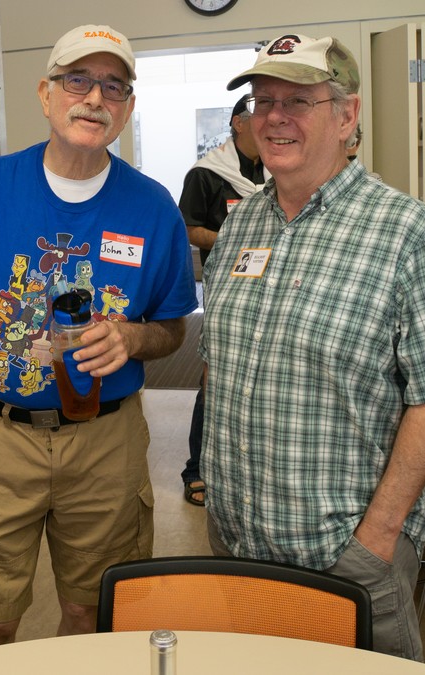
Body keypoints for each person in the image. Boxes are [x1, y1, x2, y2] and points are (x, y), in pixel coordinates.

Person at [198, 33, 425, 660]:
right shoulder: (241, 223)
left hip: (344, 553)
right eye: (262, 101)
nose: (274, 117)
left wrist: (376, 537)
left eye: (297, 101)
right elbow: (219, 367)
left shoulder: (402, 230)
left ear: (346, 116)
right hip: (236, 543)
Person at [0, 24, 197, 650]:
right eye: (77, 80)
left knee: (91, 616)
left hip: (106, 443)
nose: (94, 98)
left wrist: (132, 339)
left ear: (128, 108)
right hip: (1, 438)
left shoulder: (152, 207)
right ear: (46, 94)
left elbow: (173, 327)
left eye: (113, 87)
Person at [177, 94, 267, 506]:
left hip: (272, 287)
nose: (267, 123)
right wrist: (237, 241)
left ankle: (249, 469)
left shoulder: (273, 169)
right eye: (257, 114)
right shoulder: (207, 174)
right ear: (237, 123)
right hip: (227, 288)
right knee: (215, 377)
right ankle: (197, 468)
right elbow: (187, 228)